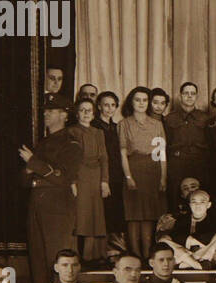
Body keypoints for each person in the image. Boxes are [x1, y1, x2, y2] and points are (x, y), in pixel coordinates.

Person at [21, 101, 82, 283]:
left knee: (57, 258)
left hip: (57, 205)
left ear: (65, 115)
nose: (46, 114)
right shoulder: (43, 142)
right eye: (45, 110)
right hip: (37, 201)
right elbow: (24, 178)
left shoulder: (71, 143)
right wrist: (32, 166)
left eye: (52, 110)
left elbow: (63, 178)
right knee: (38, 261)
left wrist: (34, 163)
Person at [118, 87, 166, 262]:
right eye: (137, 100)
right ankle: (135, 256)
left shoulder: (157, 124)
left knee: (149, 215)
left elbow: (161, 154)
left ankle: (147, 256)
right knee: (133, 216)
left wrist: (162, 177)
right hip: (133, 169)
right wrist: (128, 177)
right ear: (131, 102)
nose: (141, 103)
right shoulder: (124, 124)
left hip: (152, 171)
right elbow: (123, 153)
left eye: (145, 100)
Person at [68, 97, 109, 262]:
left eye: (89, 111)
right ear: (77, 114)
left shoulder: (98, 133)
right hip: (80, 175)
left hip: (96, 176)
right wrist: (72, 182)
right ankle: (77, 256)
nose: (86, 114)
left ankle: (92, 255)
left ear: (94, 114)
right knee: (81, 216)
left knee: (95, 215)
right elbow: (70, 159)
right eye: (82, 110)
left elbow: (104, 158)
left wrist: (104, 181)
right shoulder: (71, 132)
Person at [160, 186, 216, 269]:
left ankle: (188, 263)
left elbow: (211, 235)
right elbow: (175, 235)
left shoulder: (213, 218)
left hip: (203, 250)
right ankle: (197, 265)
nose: (197, 205)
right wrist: (189, 240)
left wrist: (194, 240)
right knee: (163, 240)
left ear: (208, 205)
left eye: (202, 202)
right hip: (185, 250)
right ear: (190, 205)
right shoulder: (182, 218)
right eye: (194, 202)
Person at [163, 82, 209, 201]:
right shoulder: (170, 118)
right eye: (186, 93)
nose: (189, 96)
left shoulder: (205, 118)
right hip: (177, 163)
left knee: (200, 194)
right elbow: (165, 145)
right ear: (180, 96)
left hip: (199, 163)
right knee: (175, 194)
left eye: (192, 93)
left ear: (197, 96)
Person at [95, 90, 125, 252]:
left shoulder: (117, 127)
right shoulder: (94, 126)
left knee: (115, 213)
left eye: (113, 105)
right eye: (106, 105)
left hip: (117, 176)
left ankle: (115, 252)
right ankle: (102, 251)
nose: (109, 108)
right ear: (99, 106)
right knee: (102, 213)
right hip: (101, 176)